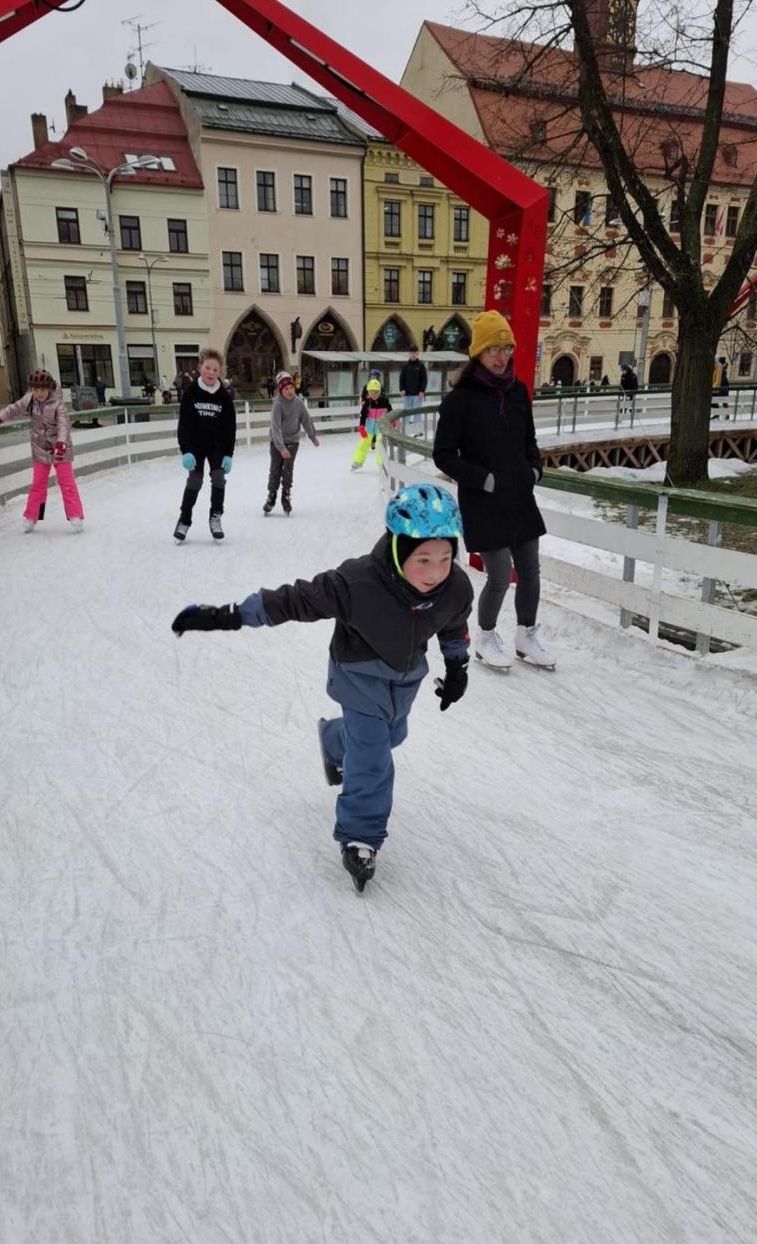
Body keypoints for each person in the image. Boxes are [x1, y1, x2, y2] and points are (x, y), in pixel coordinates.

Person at [170, 483, 472, 893]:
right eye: (423, 559)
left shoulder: (454, 588)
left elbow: (454, 625)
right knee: (372, 759)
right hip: (359, 677)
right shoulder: (357, 583)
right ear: (400, 549)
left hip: (405, 681)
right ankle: (361, 836)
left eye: (445, 557)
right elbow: (294, 600)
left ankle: (333, 741)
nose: (436, 571)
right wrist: (229, 616)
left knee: (393, 736)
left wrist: (457, 667)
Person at [432, 309, 554, 670]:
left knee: (530, 571)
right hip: (483, 500)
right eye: (493, 349)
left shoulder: (518, 392)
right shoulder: (460, 399)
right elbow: (442, 454)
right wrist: (481, 478)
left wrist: (534, 470)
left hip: (519, 496)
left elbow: (529, 441)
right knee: (500, 575)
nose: (502, 356)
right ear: (478, 354)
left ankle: (526, 635)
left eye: (506, 348)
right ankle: (485, 636)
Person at [0, 368, 84, 533]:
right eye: (35, 389)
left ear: (49, 388)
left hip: (61, 450)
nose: (38, 393)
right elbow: (13, 409)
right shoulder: (29, 400)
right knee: (38, 485)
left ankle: (75, 515)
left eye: (42, 389)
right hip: (40, 449)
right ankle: (33, 516)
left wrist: (61, 444)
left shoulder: (58, 404)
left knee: (67, 484)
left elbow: (63, 425)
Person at [174, 349, 236, 543]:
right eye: (208, 367)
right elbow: (184, 424)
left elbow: (230, 427)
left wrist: (228, 454)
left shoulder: (224, 396)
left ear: (220, 372)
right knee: (195, 480)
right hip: (195, 445)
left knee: (218, 478)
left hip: (216, 445)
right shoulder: (191, 392)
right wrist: (186, 450)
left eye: (215, 369)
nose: (211, 372)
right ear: (200, 367)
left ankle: (215, 516)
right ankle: (184, 520)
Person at [265, 370, 319, 514]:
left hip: (293, 441)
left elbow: (305, 419)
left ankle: (286, 495)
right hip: (277, 443)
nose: (289, 391)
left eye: (291, 388)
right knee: (275, 470)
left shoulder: (298, 402)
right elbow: (275, 427)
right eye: (286, 389)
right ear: (280, 390)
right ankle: (271, 496)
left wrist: (312, 435)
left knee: (288, 470)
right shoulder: (278, 405)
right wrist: (281, 447)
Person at [351, 378, 393, 471]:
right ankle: (358, 461)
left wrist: (392, 421)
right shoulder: (367, 403)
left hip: (381, 428)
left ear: (379, 392)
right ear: (368, 392)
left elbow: (390, 412)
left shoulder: (385, 402)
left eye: (375, 393)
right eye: (371, 393)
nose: (373, 395)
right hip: (369, 427)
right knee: (363, 444)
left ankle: (381, 463)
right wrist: (361, 426)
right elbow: (363, 415)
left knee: (379, 445)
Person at [399, 347, 428, 414]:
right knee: (406, 413)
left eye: (414, 353)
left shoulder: (421, 366)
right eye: (411, 353)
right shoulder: (405, 366)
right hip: (407, 394)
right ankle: (406, 424)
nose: (413, 354)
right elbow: (401, 379)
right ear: (409, 354)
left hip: (417, 395)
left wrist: (422, 390)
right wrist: (401, 389)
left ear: (417, 353)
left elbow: (424, 379)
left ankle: (417, 425)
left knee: (417, 413)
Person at [711, 354, 730, 420]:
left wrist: (714, 387)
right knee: (722, 400)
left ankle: (721, 414)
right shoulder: (718, 367)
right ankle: (720, 414)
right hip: (722, 386)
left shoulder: (720, 368)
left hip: (723, 386)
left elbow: (720, 379)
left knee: (722, 400)